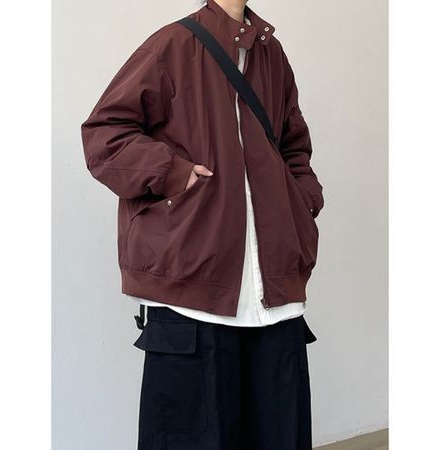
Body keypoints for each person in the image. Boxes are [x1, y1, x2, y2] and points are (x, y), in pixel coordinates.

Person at [81, 0, 324, 448]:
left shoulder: (271, 54)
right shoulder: (172, 45)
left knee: (280, 437)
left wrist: (302, 198)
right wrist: (174, 174)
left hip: (274, 295)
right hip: (192, 289)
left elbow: (294, 144)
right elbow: (105, 135)